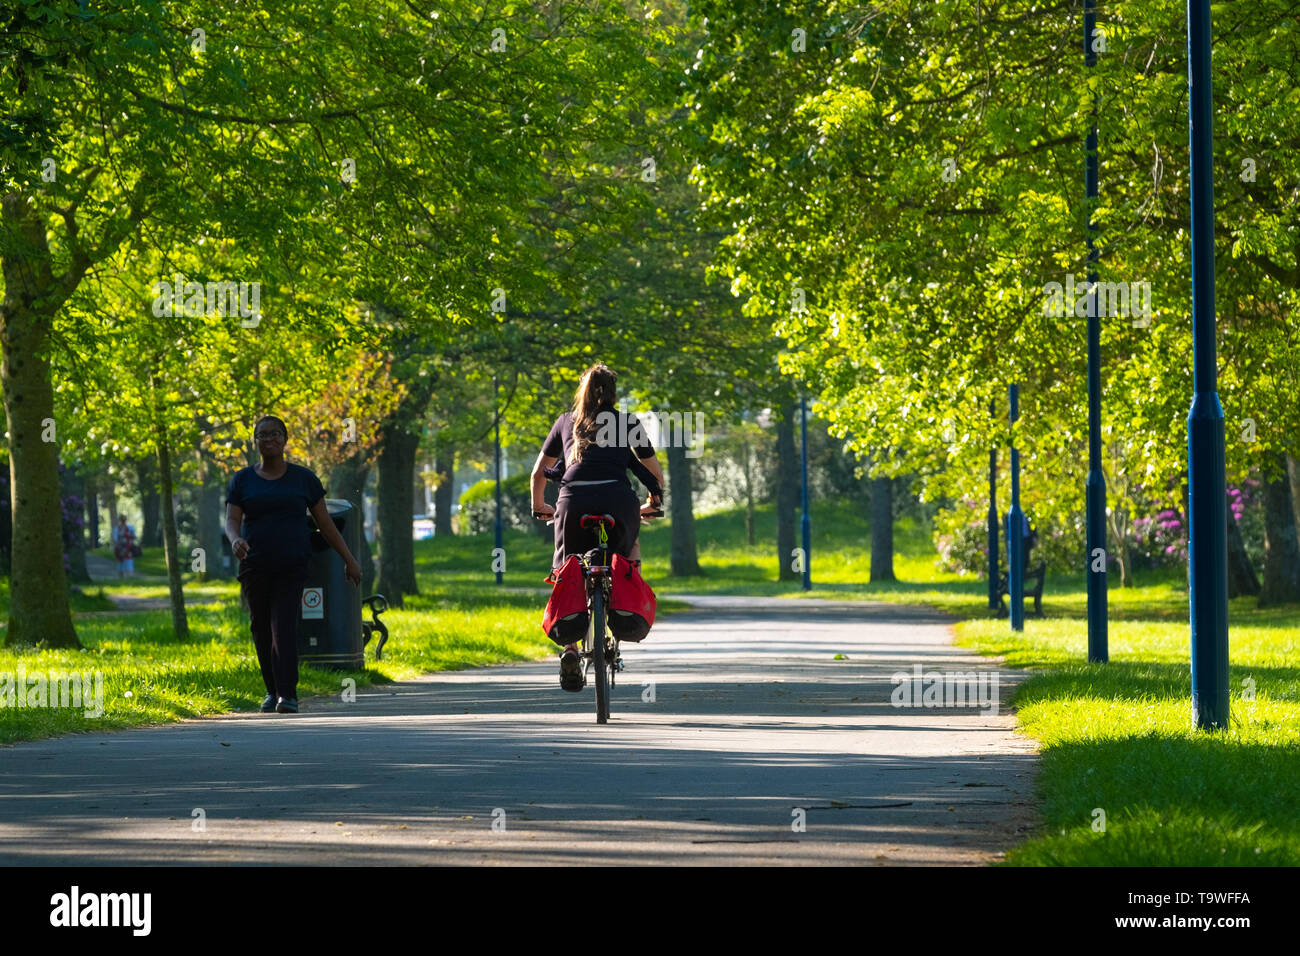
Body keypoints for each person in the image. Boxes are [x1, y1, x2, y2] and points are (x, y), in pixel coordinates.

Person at [530, 364, 664, 691]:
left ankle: (570, 648)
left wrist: (540, 507)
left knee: (566, 566)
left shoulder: (566, 422)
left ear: (582, 391)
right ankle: (627, 599)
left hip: (573, 502)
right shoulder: (628, 422)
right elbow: (653, 470)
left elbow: (538, 474)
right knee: (629, 545)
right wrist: (652, 505)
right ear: (614, 392)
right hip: (618, 501)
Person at [225, 415, 362, 715]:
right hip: (255, 565)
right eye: (262, 434)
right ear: (255, 441)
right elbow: (232, 519)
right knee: (260, 628)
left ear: (285, 440)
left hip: (292, 565)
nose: (269, 439)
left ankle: (287, 694)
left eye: (275, 434)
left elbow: (326, 524)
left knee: (282, 626)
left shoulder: (304, 479)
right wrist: (235, 539)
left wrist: (350, 561)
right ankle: (271, 690)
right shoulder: (242, 480)